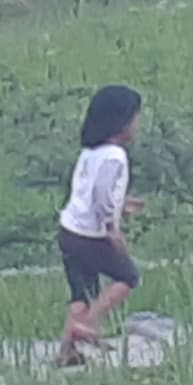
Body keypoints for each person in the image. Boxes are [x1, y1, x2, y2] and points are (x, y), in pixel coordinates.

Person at [55, 84, 143, 364]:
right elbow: (102, 194)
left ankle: (67, 351)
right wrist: (111, 228)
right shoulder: (115, 156)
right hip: (90, 235)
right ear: (120, 122)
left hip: (70, 230)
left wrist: (122, 204)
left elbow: (88, 190)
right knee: (128, 277)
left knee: (81, 292)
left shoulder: (91, 152)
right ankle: (88, 325)